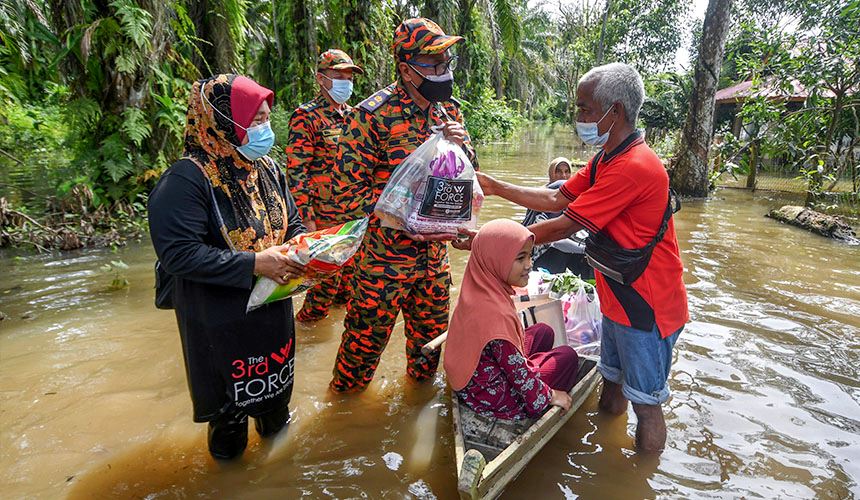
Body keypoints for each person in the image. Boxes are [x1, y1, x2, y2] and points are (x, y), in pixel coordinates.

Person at [456, 63, 688, 452]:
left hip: (648, 304)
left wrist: (489, 242)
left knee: (647, 406)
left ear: (614, 111)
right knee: (611, 378)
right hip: (616, 294)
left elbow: (564, 224)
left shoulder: (634, 167)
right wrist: (495, 186)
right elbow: (555, 198)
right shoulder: (607, 159)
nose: (577, 117)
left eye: (584, 109)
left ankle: (640, 481)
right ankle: (602, 454)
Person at [148, 74, 307, 460]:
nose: (265, 129)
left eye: (267, 118)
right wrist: (255, 263)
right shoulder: (186, 179)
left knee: (274, 405)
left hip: (271, 305)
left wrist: (307, 251)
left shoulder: (268, 167)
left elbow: (294, 222)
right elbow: (179, 255)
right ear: (221, 121)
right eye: (255, 121)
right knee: (229, 417)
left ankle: (278, 474)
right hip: (217, 317)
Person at [328, 18, 478, 393]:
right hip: (383, 262)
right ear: (407, 70)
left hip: (433, 263)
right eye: (434, 64)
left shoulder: (450, 112)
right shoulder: (372, 116)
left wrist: (464, 147)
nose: (443, 72)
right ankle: (342, 422)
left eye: (446, 63)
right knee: (358, 358)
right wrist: (398, 219)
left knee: (429, 355)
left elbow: (468, 178)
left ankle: (415, 414)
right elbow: (343, 194)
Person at [444, 219, 579, 420]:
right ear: (496, 260)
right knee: (568, 357)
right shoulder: (495, 315)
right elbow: (519, 376)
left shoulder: (479, 288)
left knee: (543, 331)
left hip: (471, 380)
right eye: (520, 258)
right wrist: (550, 395)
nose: (529, 265)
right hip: (488, 398)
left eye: (530, 256)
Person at [285, 49, 364, 322]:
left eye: (349, 75)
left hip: (354, 216)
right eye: (338, 75)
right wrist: (307, 222)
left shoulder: (356, 116)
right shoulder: (306, 117)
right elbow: (297, 171)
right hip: (323, 218)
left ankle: (328, 341)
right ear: (321, 78)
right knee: (322, 289)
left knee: (349, 289)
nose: (346, 81)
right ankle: (305, 334)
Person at [522, 157, 594, 277]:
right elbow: (554, 238)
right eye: (558, 171)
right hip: (542, 255)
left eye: (567, 171)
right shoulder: (541, 199)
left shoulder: (574, 199)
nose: (563, 175)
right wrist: (585, 250)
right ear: (551, 173)